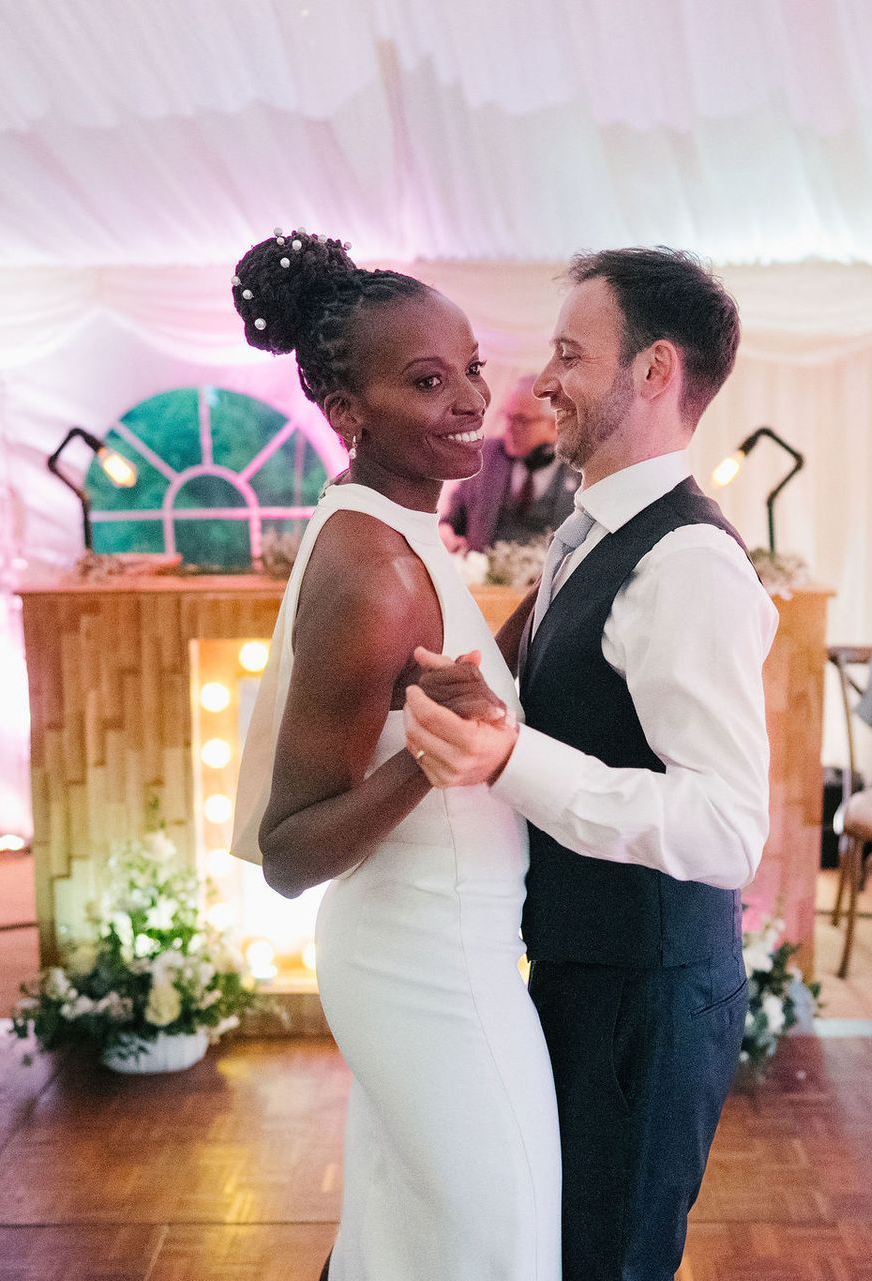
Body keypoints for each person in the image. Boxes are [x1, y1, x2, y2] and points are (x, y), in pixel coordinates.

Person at [403, 248, 777, 1281]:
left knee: (606, 1264)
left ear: (654, 372)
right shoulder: (586, 530)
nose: (542, 381)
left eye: (570, 353)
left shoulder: (687, 563)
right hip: (582, 968)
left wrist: (511, 757)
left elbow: (726, 827)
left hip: (647, 1000)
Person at [226, 229, 559, 1280]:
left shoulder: (412, 530)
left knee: (418, 1249)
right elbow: (287, 852)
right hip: (426, 968)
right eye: (428, 381)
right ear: (345, 412)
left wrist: (563, 591)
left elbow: (456, 678)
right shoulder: (374, 568)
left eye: (470, 369)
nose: (469, 399)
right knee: (497, 1247)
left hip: (450, 947)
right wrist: (427, 759)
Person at [439, 374, 578, 553]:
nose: (509, 427)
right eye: (508, 416)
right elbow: (449, 522)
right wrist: (447, 536)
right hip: (483, 576)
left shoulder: (580, 470)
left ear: (554, 425)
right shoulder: (484, 455)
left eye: (521, 420)